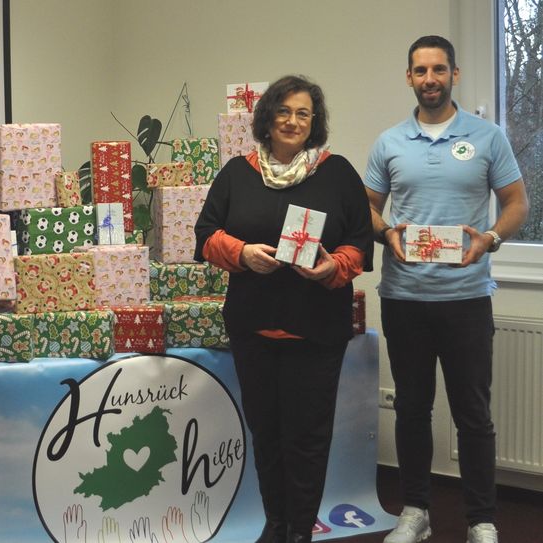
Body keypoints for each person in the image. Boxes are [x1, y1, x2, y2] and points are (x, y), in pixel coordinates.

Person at [364, 35, 529, 543]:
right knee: (412, 409)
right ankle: (416, 511)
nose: (430, 79)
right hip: (404, 298)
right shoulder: (389, 142)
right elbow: (367, 208)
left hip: (466, 299)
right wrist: (386, 232)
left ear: (454, 74)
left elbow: (517, 202)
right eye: (420, 71)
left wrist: (492, 238)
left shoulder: (487, 137)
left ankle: (482, 519)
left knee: (473, 414)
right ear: (408, 77)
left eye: (439, 70)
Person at [195, 75, 373, 543]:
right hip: (253, 330)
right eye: (284, 111)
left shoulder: (338, 173)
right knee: (266, 436)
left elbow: (359, 244)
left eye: (303, 114)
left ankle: (300, 532)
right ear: (267, 117)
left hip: (315, 332)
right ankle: (276, 525)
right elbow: (205, 236)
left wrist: (332, 266)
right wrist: (242, 254)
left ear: (313, 123)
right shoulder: (237, 172)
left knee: (307, 441)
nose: (293, 121)